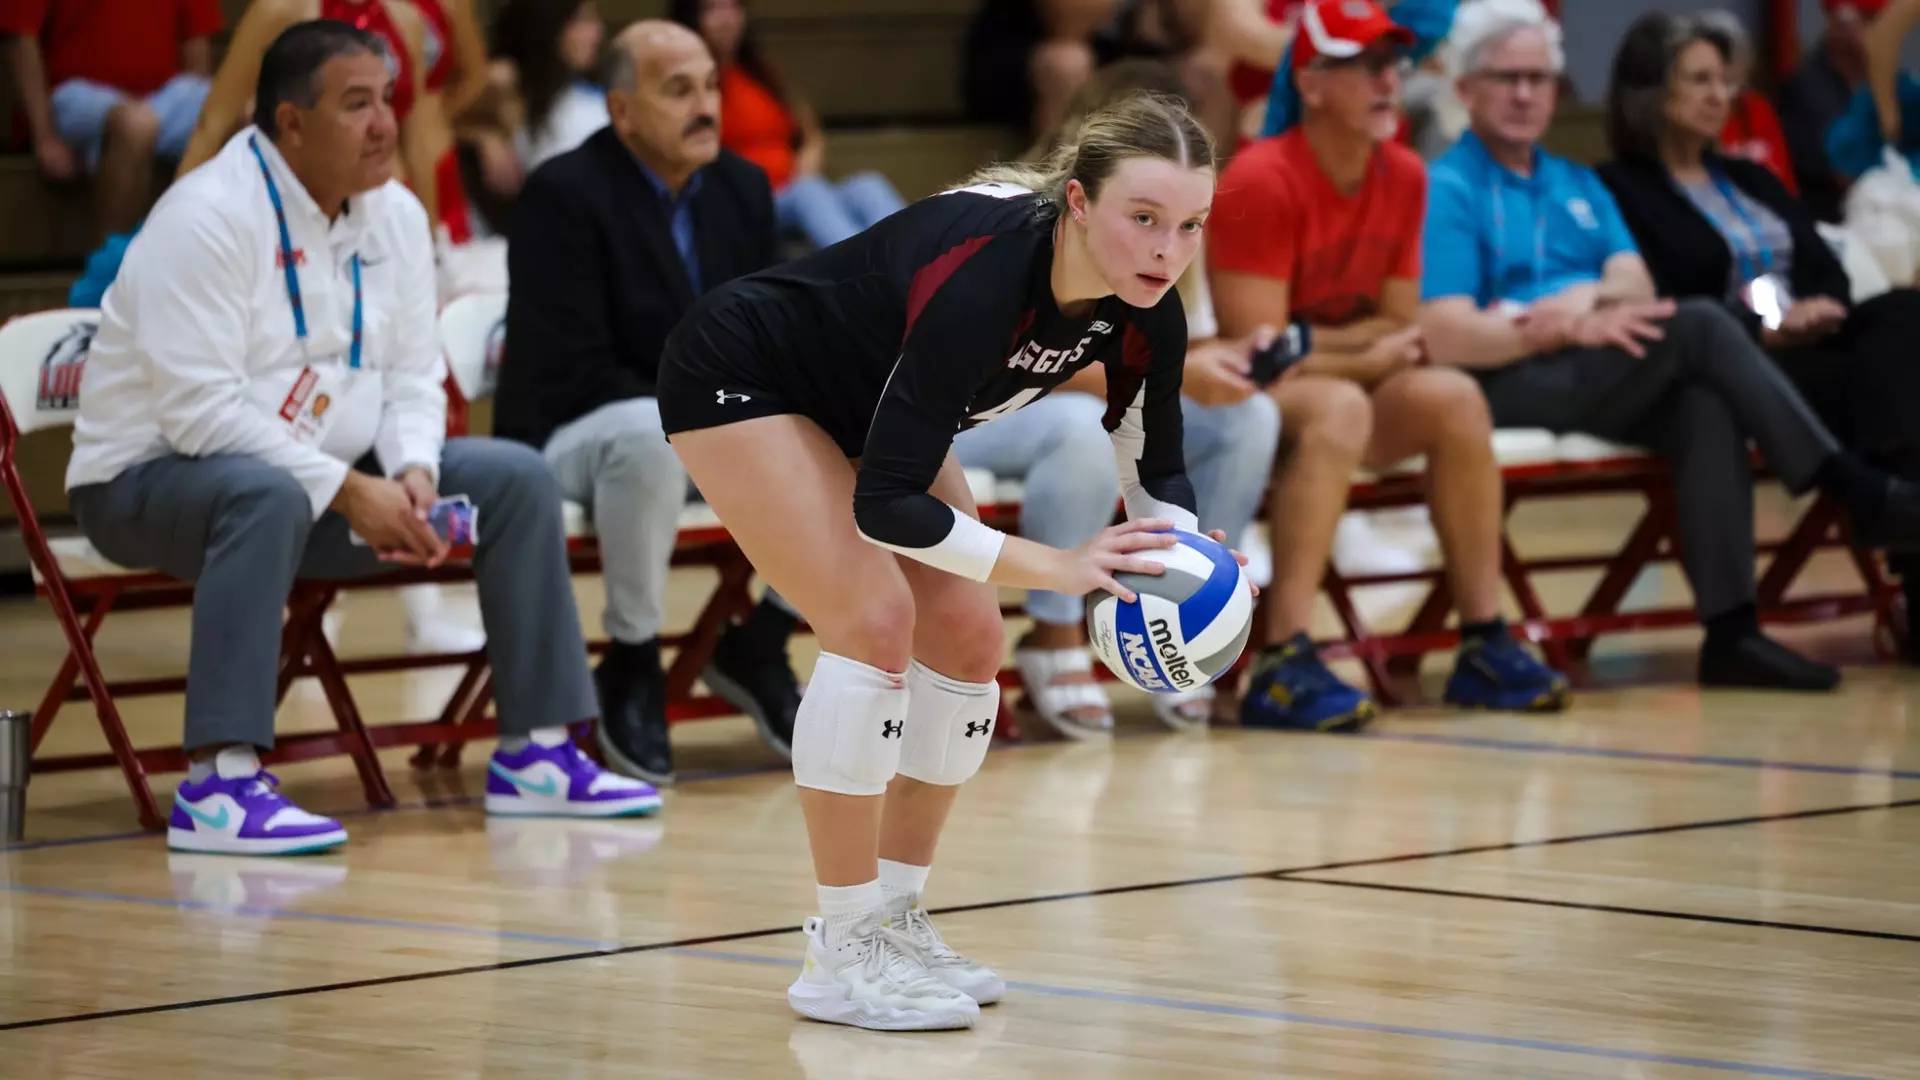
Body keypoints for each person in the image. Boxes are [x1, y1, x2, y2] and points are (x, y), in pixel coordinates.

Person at [657, 92, 1236, 1029]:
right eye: (1144, 218)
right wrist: (1062, 567)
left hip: (875, 403)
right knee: (875, 622)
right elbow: (888, 506)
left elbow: (1155, 469)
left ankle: (893, 915)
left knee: (968, 639)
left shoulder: (1146, 313)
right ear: (1079, 204)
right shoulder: (986, 283)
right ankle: (840, 951)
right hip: (746, 372)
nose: (1168, 251)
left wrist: (1197, 564)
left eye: (1190, 225)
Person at [63, 20, 662, 856]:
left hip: (321, 479)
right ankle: (219, 783)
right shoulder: (206, 216)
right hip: (147, 482)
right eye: (356, 105)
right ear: (290, 123)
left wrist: (414, 468)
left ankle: (539, 753)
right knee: (264, 492)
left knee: (515, 479)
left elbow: (414, 375)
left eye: (387, 99)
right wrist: (349, 491)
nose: (386, 123)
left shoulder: (396, 214)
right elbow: (197, 414)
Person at [1419, 0, 1920, 692]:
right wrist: (1560, 321)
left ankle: (1732, 632)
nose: (1526, 94)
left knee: (1702, 402)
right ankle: (1849, 487)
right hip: (1506, 376)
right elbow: (1444, 332)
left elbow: (1634, 279)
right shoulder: (1446, 188)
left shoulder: (1575, 180)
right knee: (1700, 324)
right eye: (1507, 78)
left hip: (1595, 362)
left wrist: (1585, 304)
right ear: (1465, 89)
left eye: (1539, 78)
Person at [1210, 0, 1566, 732]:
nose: (1388, 80)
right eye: (1364, 64)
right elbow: (1262, 355)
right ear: (1309, 82)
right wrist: (1354, 349)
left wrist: (1343, 349)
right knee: (1340, 405)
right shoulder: (1261, 177)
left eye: (1393, 63)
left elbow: (1402, 328)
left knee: (1455, 398)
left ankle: (1483, 640)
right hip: (1247, 403)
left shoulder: (1404, 173)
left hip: (1349, 387)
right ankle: (1281, 658)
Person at [494, 21, 803, 784]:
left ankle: (763, 639)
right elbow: (574, 367)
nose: (704, 106)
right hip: (573, 437)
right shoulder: (561, 195)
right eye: (677, 90)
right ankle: (632, 660)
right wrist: (722, 416)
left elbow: (775, 331)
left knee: (841, 432)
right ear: (622, 110)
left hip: (710, 432)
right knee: (643, 435)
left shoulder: (741, 186)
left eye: (708, 87)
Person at [962, 58, 1280, 737]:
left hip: (1098, 399)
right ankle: (1054, 634)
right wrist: (1176, 375)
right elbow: (1018, 362)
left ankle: (1194, 596)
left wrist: (1210, 366)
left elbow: (1160, 360)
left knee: (1247, 416)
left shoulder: (1180, 219)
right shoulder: (1021, 220)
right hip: (972, 407)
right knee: (1081, 426)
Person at [1597, 10, 1920, 656]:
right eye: (1700, 80)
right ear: (1650, 94)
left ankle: (1896, 514)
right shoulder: (1619, 190)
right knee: (1894, 386)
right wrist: (1771, 323)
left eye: (1725, 81)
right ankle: (1894, 532)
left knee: (1906, 314)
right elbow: (1668, 294)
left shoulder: (1750, 178)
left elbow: (1824, 263)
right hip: (1735, 365)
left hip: (1813, 344)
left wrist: (1820, 305)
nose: (1722, 96)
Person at [673, 0, 908, 250]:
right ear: (692, 18)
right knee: (808, 195)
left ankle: (924, 266)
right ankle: (865, 276)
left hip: (798, 186)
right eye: (712, 10)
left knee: (868, 185)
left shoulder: (759, 74)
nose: (726, 18)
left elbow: (810, 134)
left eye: (733, 7)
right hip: (750, 202)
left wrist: (804, 169)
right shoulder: (692, 86)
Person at [0, 0, 221, 241]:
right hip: (73, 93)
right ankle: (108, 268)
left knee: (246, 115)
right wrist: (44, 137)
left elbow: (196, 39)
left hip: (163, 97)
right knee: (137, 124)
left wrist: (200, 120)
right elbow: (20, 35)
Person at [1778, 0, 1883, 222]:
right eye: (1870, 20)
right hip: (1834, 225)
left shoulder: (1880, 80)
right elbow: (1846, 175)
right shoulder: (1807, 86)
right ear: (1837, 23)